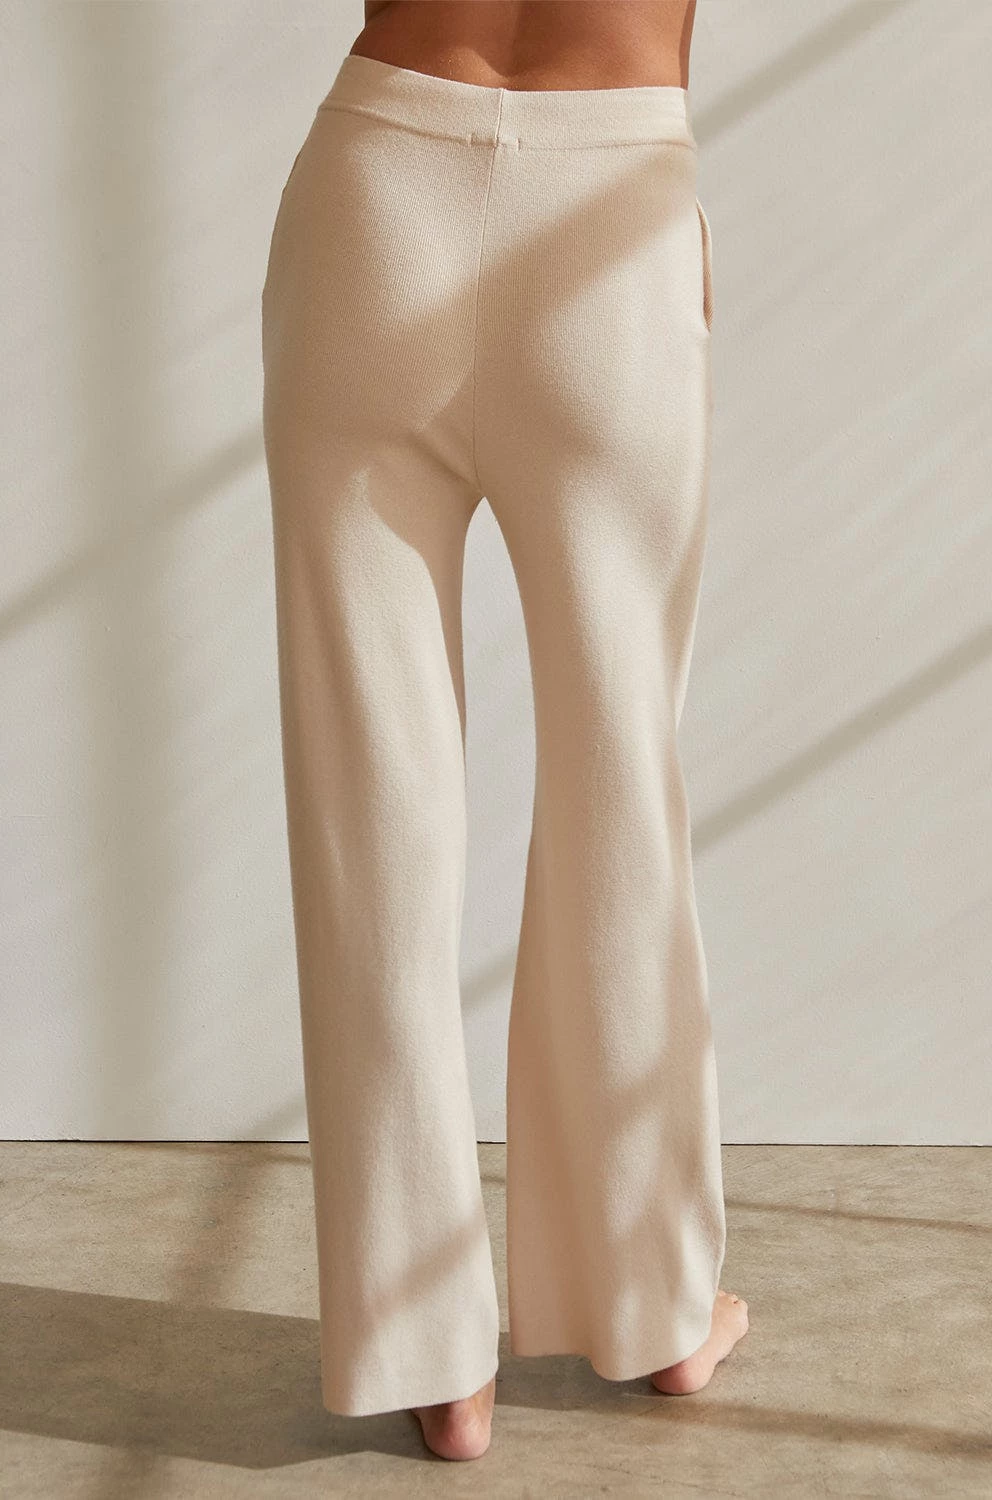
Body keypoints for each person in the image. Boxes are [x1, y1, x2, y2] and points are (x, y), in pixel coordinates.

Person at [260, 0, 748, 1463]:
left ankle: (425, 1349)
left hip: (375, 193)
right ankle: (655, 1305)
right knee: (622, 786)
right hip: (611, 214)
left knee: (369, 808)